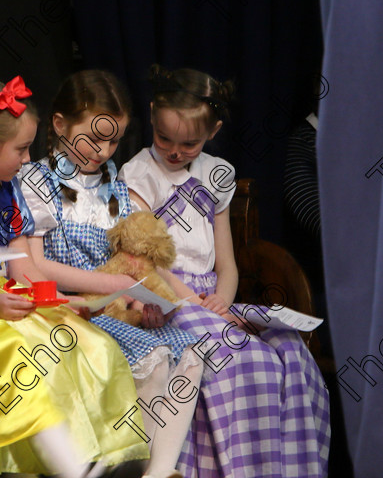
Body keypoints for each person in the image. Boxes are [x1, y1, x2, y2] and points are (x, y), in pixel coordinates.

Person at [0, 76, 149, 476]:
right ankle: (59, 467)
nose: (27, 160)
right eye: (22, 149)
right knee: (19, 354)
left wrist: (65, 301)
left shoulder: (6, 190)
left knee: (90, 344)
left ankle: (101, 453)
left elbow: (23, 268)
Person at [119, 64, 331, 478]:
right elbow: (149, 261)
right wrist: (199, 304)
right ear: (151, 118)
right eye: (165, 138)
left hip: (213, 298)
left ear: (213, 131)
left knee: (290, 353)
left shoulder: (216, 175)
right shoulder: (139, 175)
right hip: (165, 293)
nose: (175, 151)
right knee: (248, 362)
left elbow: (227, 263)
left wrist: (225, 300)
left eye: (189, 143)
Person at [18, 70, 203, 478]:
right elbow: (38, 266)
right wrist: (114, 286)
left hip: (119, 304)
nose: (103, 150)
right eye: (94, 137)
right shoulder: (36, 181)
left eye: (114, 139)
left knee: (190, 352)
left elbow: (140, 260)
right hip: (72, 305)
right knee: (153, 357)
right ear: (60, 124)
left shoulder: (114, 186)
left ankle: (161, 472)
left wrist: (151, 300)